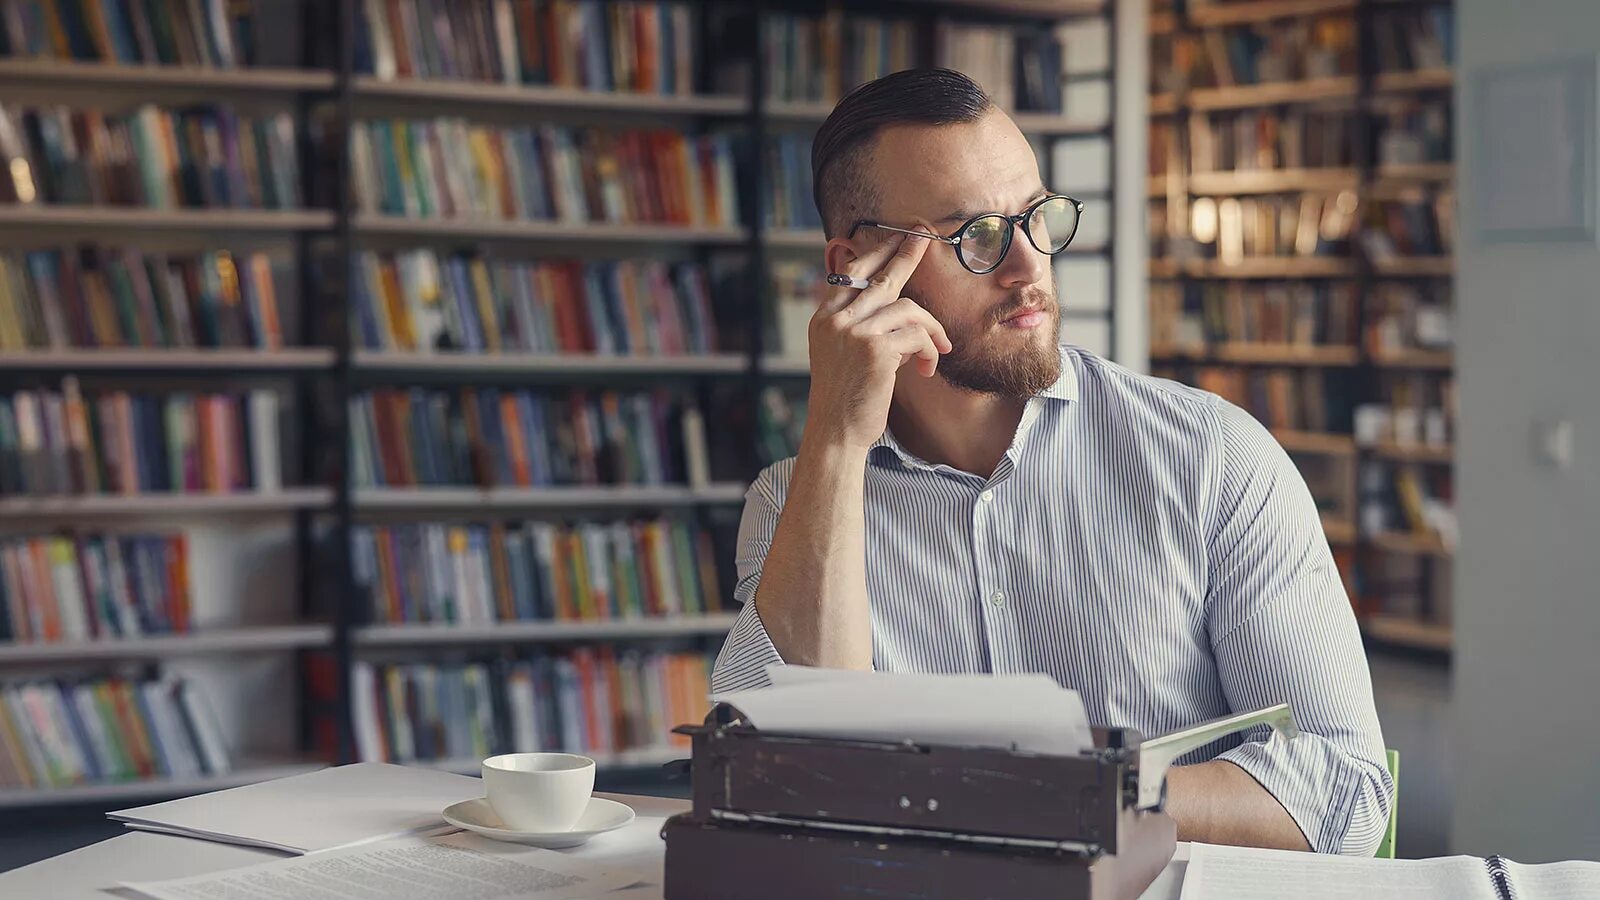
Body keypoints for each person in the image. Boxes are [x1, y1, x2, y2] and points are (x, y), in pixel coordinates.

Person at [710, 68, 1392, 856]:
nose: (1028, 267)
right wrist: (834, 439)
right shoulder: (797, 499)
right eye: (975, 236)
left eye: (1036, 217)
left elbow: (1343, 791)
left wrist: (1056, 788)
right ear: (855, 267)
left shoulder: (1212, 458)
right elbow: (779, 788)